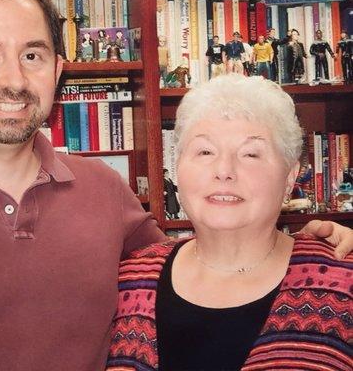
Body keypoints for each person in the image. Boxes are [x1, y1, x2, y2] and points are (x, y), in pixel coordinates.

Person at [0, 0, 352, 370]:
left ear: (57, 69)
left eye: (32, 55)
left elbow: (205, 257)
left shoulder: (104, 191)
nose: (13, 79)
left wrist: (314, 239)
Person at [106, 74, 352, 371]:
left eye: (250, 154)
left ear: (290, 177)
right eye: (205, 151)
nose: (224, 171)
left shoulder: (341, 281)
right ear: (177, 168)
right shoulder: (128, 280)